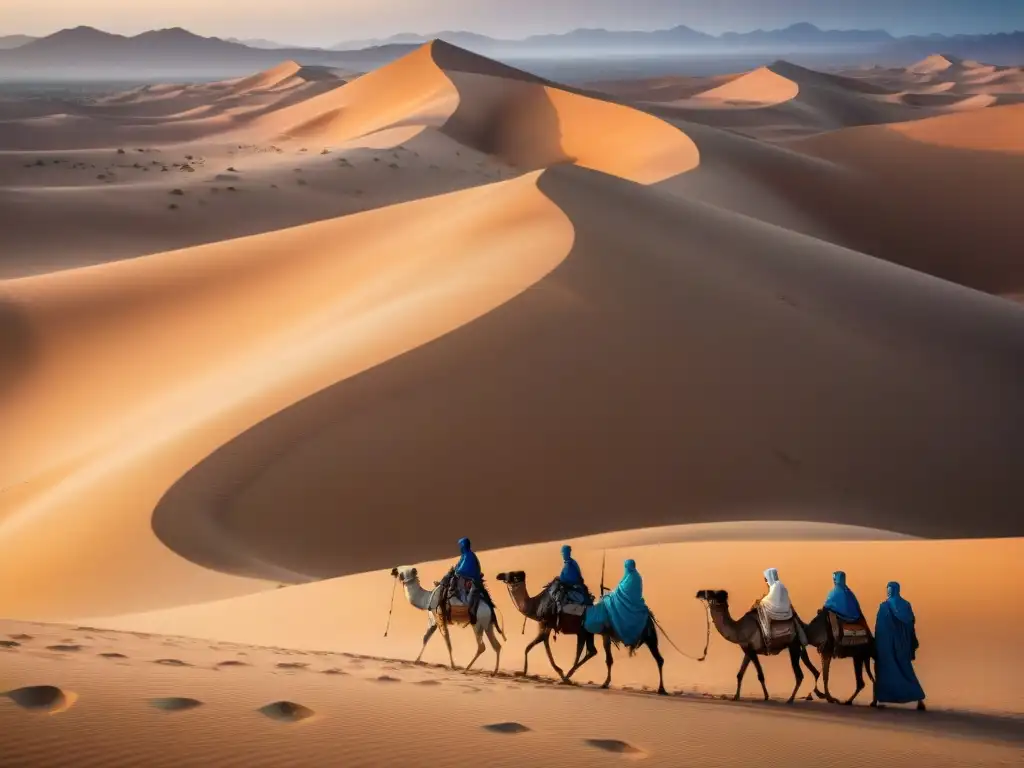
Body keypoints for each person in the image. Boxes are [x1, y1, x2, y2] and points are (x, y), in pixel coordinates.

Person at [872, 581, 926, 710]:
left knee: (884, 670)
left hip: (887, 646)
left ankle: (878, 699)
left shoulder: (884, 606)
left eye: (889, 590)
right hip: (902, 646)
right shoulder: (906, 605)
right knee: (906, 670)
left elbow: (880, 629)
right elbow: (911, 625)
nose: (888, 592)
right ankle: (919, 699)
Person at [582, 558, 649, 646]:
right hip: (628, 600)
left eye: (626, 567)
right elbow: (622, 590)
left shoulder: (631, 577)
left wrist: (610, 594)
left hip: (626, 602)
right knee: (606, 599)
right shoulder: (636, 576)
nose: (625, 568)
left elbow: (622, 592)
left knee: (606, 603)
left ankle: (612, 629)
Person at [757, 567, 808, 646]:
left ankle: (766, 635)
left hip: (777, 611)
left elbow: (772, 599)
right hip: (787, 611)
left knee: (761, 610)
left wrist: (762, 601)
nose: (766, 581)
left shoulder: (775, 586)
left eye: (766, 579)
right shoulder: (781, 585)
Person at [453, 537, 483, 625]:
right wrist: (456, 569)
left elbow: (464, 568)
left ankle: (466, 610)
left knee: (460, 588)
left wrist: (457, 571)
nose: (460, 548)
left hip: (472, 579)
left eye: (460, 545)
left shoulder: (468, 555)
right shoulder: (465, 555)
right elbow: (459, 565)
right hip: (467, 577)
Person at [550, 544, 587, 612]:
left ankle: (578, 611)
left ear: (568, 553)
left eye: (564, 553)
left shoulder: (570, 565)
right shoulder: (570, 562)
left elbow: (569, 579)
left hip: (574, 589)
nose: (563, 555)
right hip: (572, 587)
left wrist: (560, 581)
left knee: (560, 602)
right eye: (562, 553)